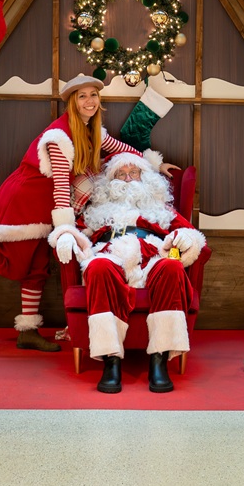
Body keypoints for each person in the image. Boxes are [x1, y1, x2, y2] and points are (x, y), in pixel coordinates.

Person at [0, 74, 167, 352]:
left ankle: (27, 332)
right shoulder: (60, 137)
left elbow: (122, 150)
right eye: (82, 96)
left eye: (93, 95)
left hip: (45, 205)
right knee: (15, 265)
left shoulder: (92, 130)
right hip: (26, 200)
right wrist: (65, 228)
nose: (89, 101)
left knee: (37, 269)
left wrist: (153, 165)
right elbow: (60, 184)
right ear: (72, 102)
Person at [69, 151, 205, 394]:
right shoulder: (98, 211)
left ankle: (160, 359)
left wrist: (184, 240)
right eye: (121, 174)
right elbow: (76, 232)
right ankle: (111, 361)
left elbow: (192, 234)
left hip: (152, 255)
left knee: (172, 267)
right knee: (98, 266)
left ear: (145, 178)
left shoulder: (161, 209)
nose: (128, 179)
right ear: (110, 182)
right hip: (111, 254)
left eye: (134, 173)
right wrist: (65, 237)